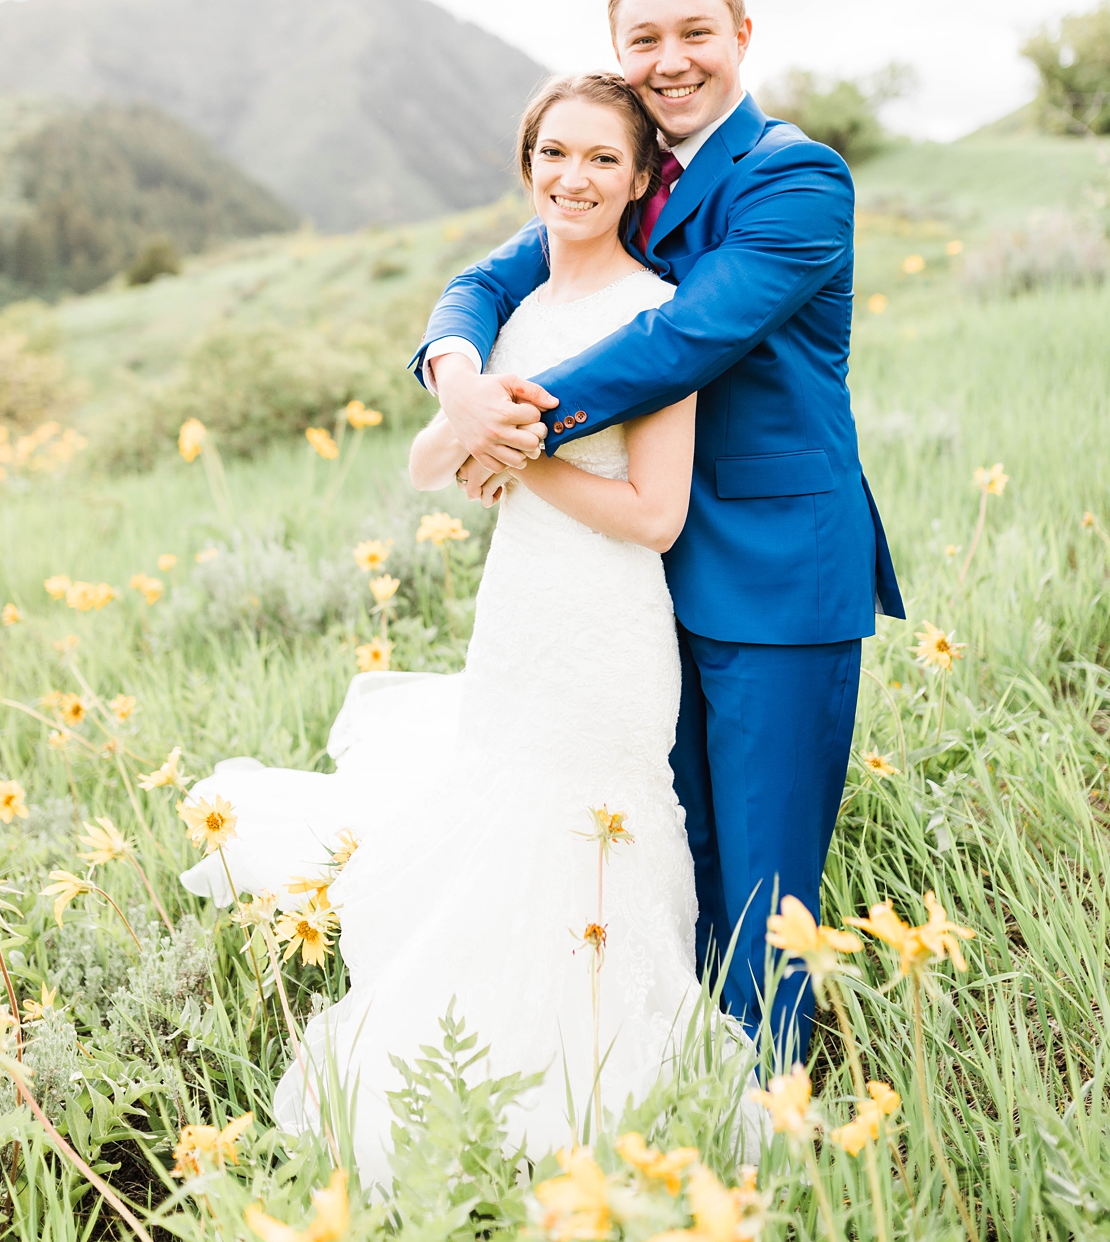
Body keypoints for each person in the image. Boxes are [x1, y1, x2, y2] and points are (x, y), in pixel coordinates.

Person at [181, 72, 731, 1179]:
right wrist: (468, 414)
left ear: (638, 180)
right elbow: (429, 463)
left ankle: (604, 1083)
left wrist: (522, 467)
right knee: (498, 820)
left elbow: (656, 515)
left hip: (608, 629)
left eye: (602, 161)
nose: (574, 178)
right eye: (555, 154)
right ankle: (468, 1054)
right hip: (517, 618)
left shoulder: (658, 319)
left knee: (591, 831)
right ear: (529, 162)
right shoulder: (511, 316)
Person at [417, 0, 904, 1058]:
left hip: (775, 568)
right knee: (672, 863)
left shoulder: (794, 176)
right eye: (645, 38)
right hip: (635, 587)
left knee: (768, 882)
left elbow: (687, 336)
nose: (671, 59)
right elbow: (484, 282)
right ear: (617, 51)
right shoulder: (625, 168)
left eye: (695, 32)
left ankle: (769, 1118)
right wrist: (458, 383)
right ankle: (677, 1080)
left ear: (741, 37)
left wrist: (517, 425)